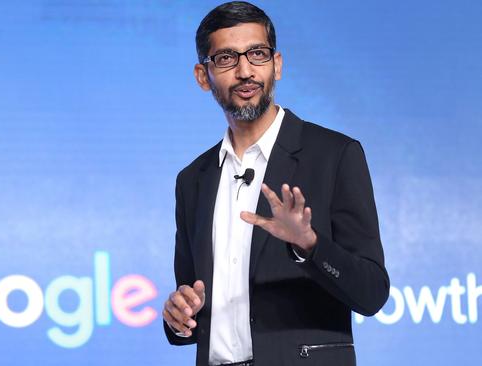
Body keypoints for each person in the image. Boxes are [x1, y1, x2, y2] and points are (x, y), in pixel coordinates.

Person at [161, 2, 390, 365]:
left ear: (277, 65)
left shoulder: (334, 155)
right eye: (225, 58)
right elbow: (192, 301)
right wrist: (178, 318)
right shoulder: (193, 180)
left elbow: (372, 293)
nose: (245, 71)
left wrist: (309, 246)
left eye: (257, 54)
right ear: (203, 76)